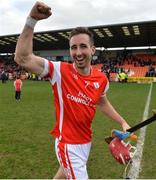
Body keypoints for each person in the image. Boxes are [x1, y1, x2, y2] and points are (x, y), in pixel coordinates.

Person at [14, 1, 131, 179]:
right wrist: (31, 20)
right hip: (68, 144)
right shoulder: (59, 71)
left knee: (63, 173)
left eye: (83, 46)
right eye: (73, 47)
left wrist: (123, 122)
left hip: (86, 142)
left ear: (93, 49)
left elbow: (102, 102)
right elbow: (22, 58)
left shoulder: (101, 79)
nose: (77, 52)